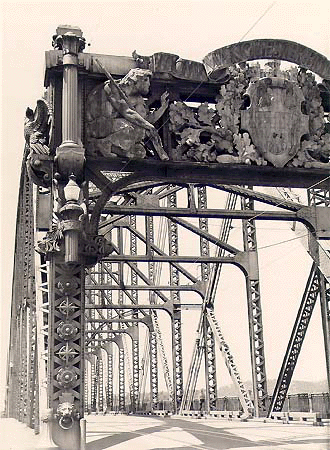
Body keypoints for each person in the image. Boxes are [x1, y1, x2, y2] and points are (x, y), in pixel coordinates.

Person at [88, 65, 169, 160]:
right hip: (99, 125)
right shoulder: (112, 87)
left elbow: (144, 121)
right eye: (146, 80)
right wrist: (148, 126)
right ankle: (98, 144)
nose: (149, 84)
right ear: (135, 80)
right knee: (129, 128)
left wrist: (163, 108)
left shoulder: (138, 98)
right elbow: (127, 112)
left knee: (140, 149)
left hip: (116, 127)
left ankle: (108, 147)